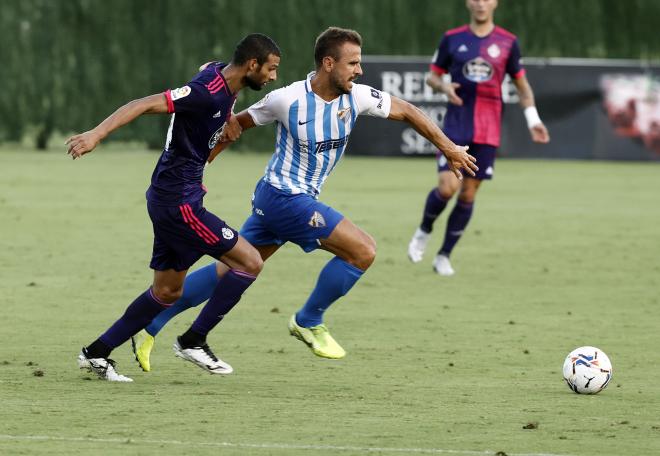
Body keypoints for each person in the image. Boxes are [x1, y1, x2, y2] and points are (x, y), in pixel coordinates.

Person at [130, 26, 477, 371]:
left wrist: (447, 148)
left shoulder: (357, 97)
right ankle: (308, 320)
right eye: (352, 63)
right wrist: (196, 169)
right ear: (328, 63)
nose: (359, 70)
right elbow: (234, 125)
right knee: (362, 251)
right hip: (282, 197)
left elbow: (408, 110)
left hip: (282, 202)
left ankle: (152, 324)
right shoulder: (287, 98)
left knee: (231, 267)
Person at [67, 34, 281, 382]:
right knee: (250, 261)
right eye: (271, 69)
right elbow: (141, 104)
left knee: (167, 291)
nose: (273, 77)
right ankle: (194, 340)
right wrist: (96, 135)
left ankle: (96, 353)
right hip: (179, 203)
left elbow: (206, 68)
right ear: (253, 65)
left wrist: (227, 118)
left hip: (174, 196)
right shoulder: (205, 93)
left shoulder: (220, 77)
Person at [407, 0, 550, 276]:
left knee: (469, 193)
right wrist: (444, 86)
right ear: (468, 3)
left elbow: (523, 87)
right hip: (455, 125)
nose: (481, 3)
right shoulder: (452, 38)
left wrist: (534, 120)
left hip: (488, 130)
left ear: (494, 3)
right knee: (447, 187)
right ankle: (424, 229)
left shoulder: (508, 42)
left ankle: (444, 255)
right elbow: (432, 78)